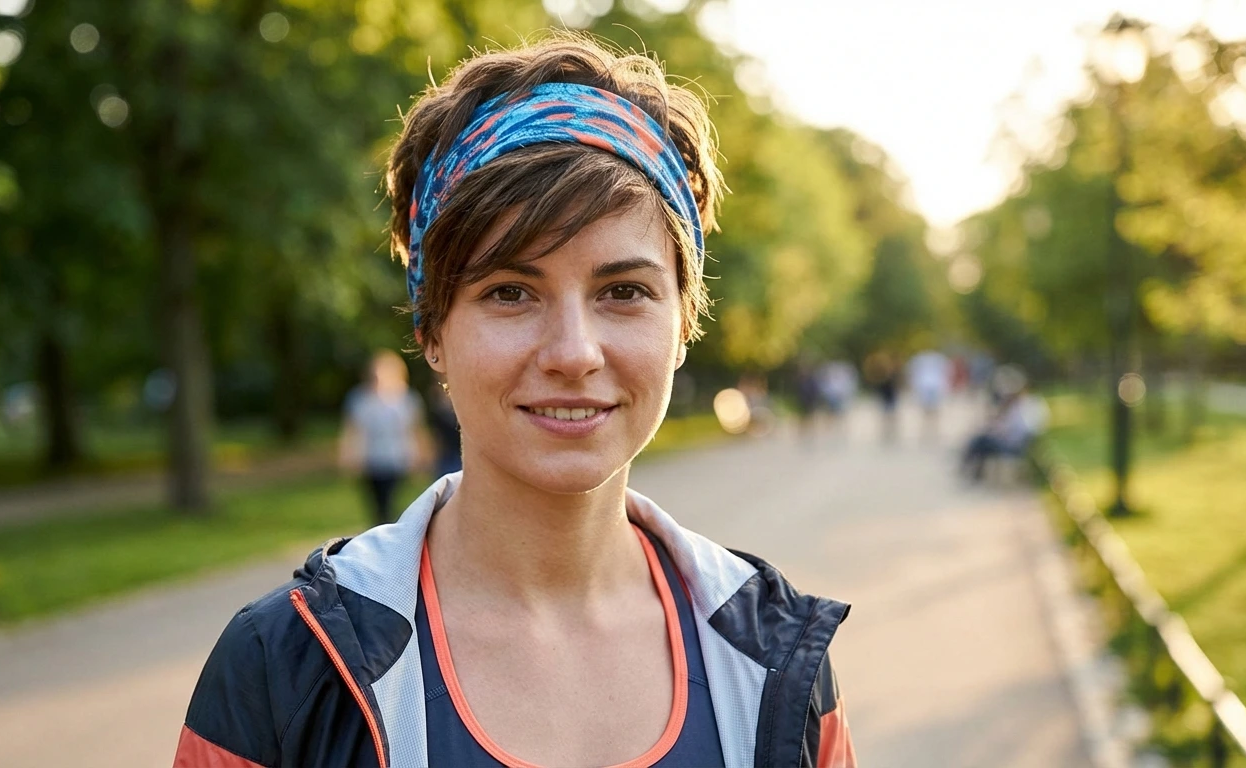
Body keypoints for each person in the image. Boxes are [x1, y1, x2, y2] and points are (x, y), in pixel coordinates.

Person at [175, 35, 855, 768]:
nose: (572, 353)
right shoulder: (283, 668)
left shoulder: (777, 663)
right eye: (509, 292)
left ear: (684, 324)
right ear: (430, 330)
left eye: (623, 292)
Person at [338, 350, 428, 526]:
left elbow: (415, 429)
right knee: (377, 505)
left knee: (392, 502)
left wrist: (420, 456)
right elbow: (353, 430)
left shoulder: (407, 399)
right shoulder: (359, 399)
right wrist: (349, 455)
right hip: (371, 459)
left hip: (398, 458)